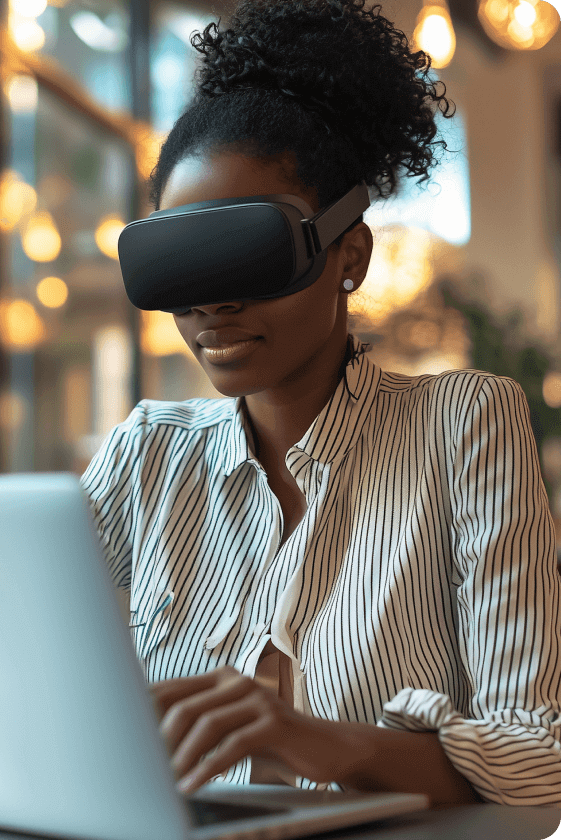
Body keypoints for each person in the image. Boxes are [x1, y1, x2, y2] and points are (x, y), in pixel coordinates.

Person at [80, 0, 561, 808]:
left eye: (249, 252)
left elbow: (540, 754)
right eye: (180, 269)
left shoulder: (464, 425)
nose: (210, 308)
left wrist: (306, 737)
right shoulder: (147, 452)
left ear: (350, 256)